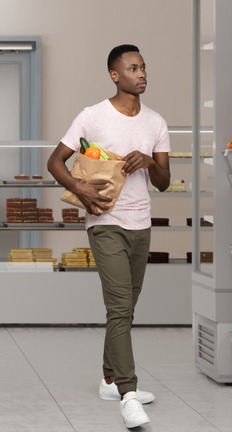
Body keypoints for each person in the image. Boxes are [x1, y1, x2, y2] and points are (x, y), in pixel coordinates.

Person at [47, 44, 171, 429]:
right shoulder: (92, 116)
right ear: (115, 75)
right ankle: (128, 394)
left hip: (141, 224)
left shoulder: (156, 123)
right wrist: (80, 190)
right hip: (104, 222)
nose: (141, 73)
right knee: (120, 307)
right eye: (133, 68)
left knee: (126, 307)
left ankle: (107, 379)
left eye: (144, 67)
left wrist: (150, 161)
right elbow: (55, 160)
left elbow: (164, 183)